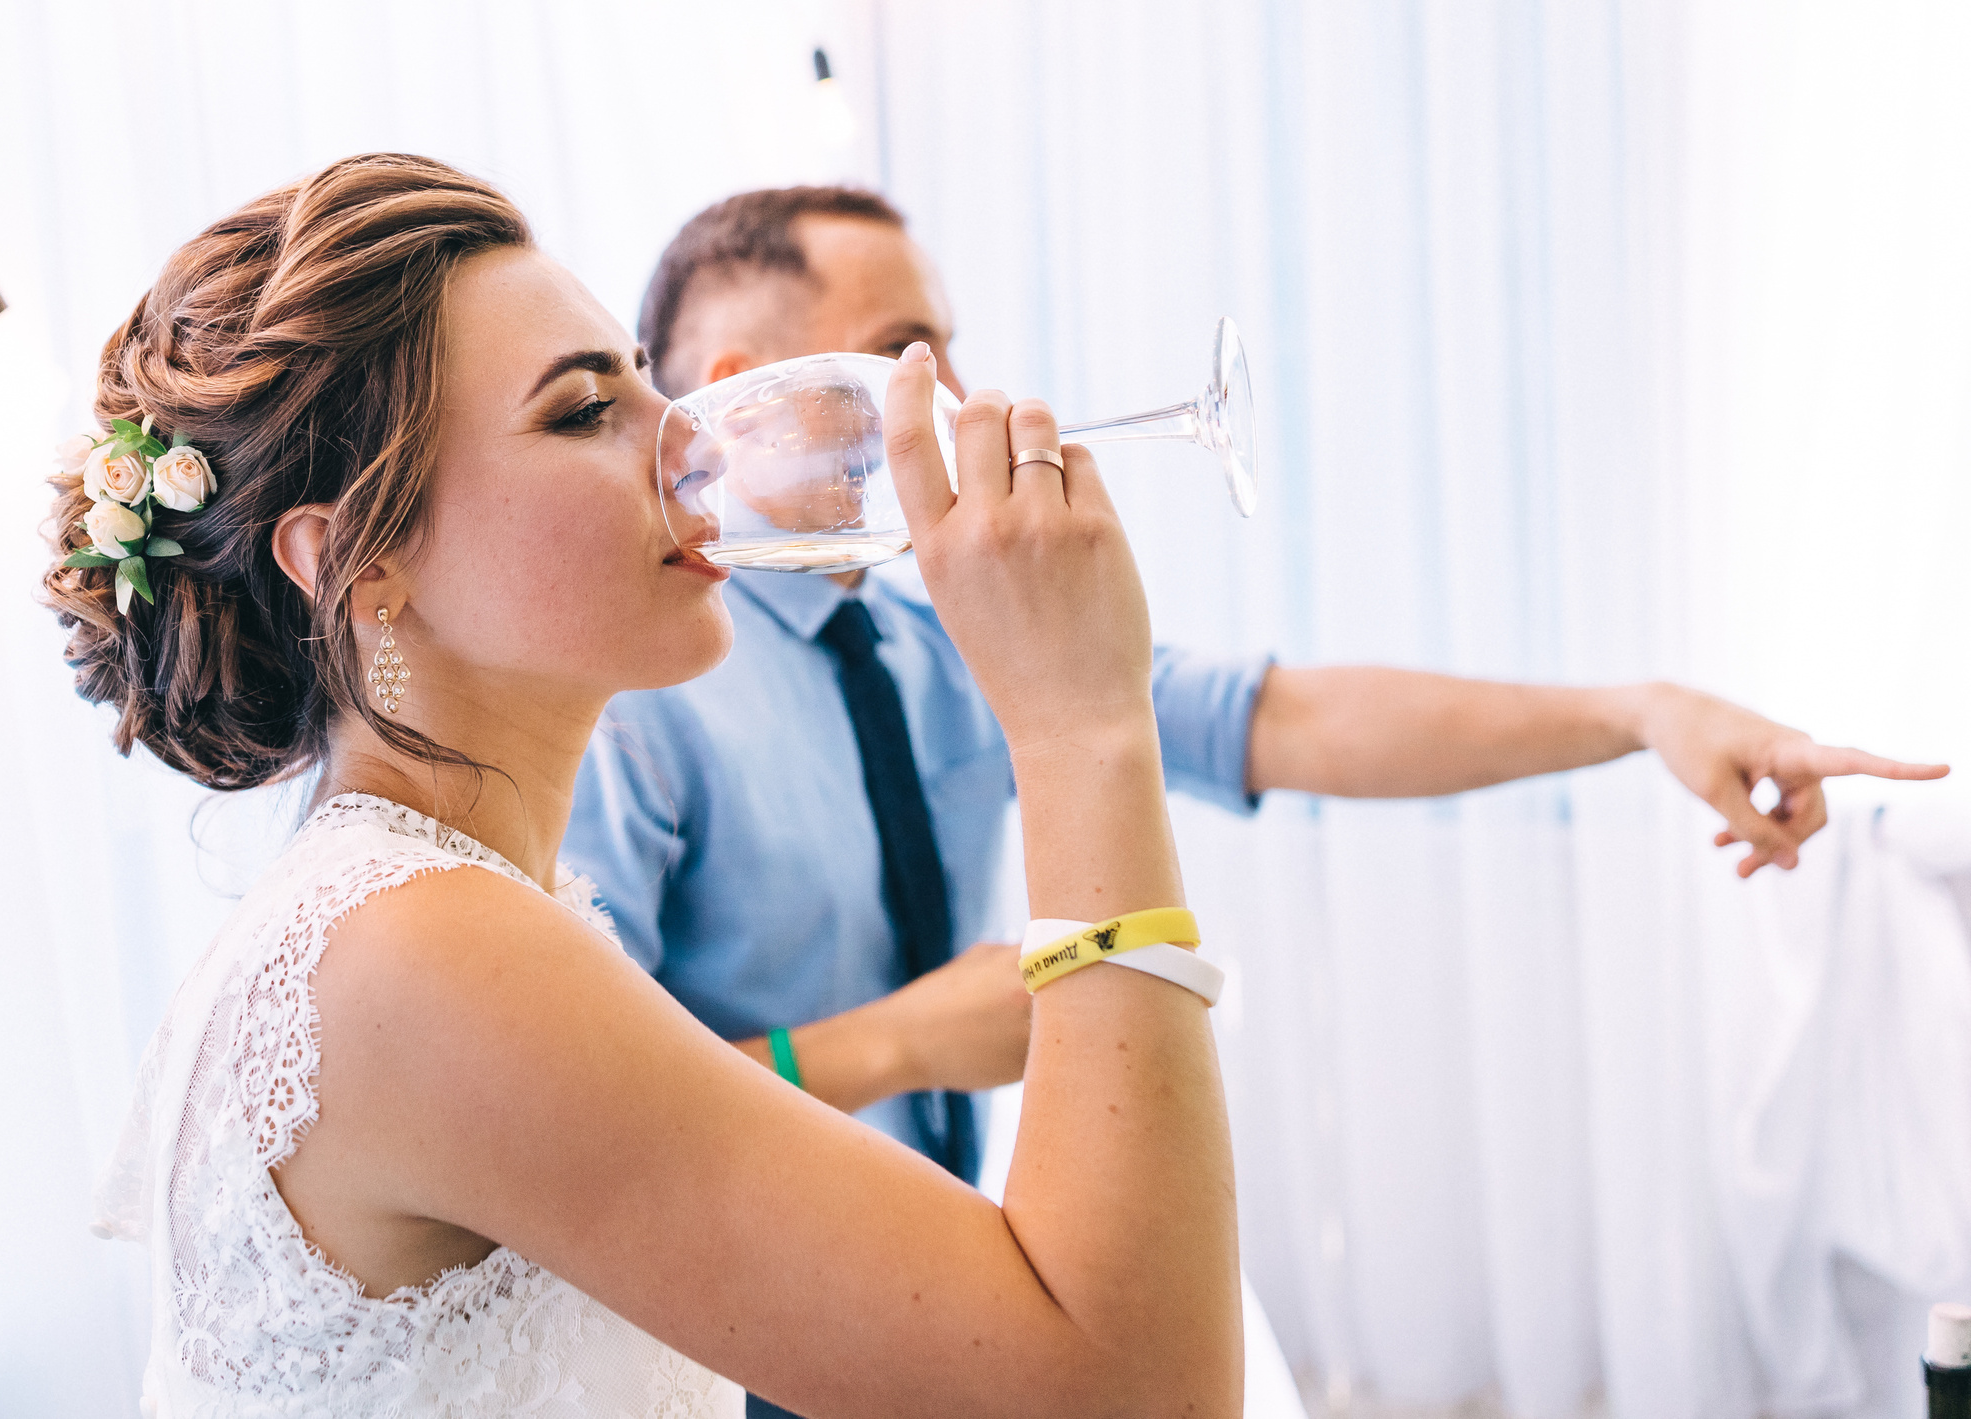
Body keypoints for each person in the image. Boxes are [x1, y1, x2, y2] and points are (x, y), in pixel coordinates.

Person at [57, 154, 1243, 1418]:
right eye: (581, 412)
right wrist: (1077, 723)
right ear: (361, 562)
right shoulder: (417, 954)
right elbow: (1129, 1395)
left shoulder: (435, 911)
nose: (687, 442)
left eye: (645, 380)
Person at [565, 181, 1948, 1191]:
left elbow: (1282, 717)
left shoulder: (946, 642)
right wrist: (897, 1040)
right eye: (914, 345)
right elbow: (578, 1129)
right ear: (763, 387)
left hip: (925, 1268)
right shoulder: (623, 711)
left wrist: (1641, 712)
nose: (966, 390)